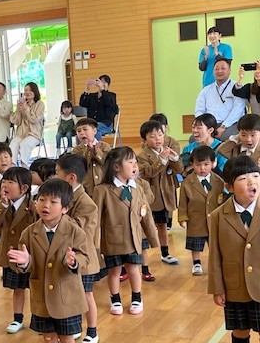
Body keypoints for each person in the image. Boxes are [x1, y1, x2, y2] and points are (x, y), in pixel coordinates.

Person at [9, 179, 90, 343]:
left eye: (53, 202)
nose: (46, 205)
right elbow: (24, 263)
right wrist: (24, 262)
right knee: (48, 336)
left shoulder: (74, 231)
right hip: (42, 296)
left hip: (66, 296)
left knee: (67, 337)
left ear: (65, 208)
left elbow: (85, 257)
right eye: (41, 200)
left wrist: (73, 262)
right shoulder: (29, 232)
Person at [208, 156, 260, 343]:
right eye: (243, 178)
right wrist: (217, 288)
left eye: (255, 176)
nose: (251, 182)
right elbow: (214, 255)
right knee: (240, 330)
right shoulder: (219, 216)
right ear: (229, 186)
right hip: (235, 284)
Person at [93, 147, 159, 316]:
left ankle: (137, 297)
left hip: (134, 238)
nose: (135, 166)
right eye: (130, 162)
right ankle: (115, 298)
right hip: (113, 239)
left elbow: (145, 213)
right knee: (114, 271)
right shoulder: (102, 190)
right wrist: (94, 244)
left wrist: (153, 238)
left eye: (136, 162)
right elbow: (95, 219)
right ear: (116, 167)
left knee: (134, 268)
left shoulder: (137, 188)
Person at [55, 154, 101, 343]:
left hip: (83, 259)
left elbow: (79, 230)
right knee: (72, 294)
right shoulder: (65, 197)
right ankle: (74, 328)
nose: (54, 176)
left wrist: (58, 214)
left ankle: (92, 331)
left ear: (71, 178)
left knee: (86, 295)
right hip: (68, 256)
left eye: (57, 173)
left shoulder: (86, 203)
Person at [0, 167, 36, 333]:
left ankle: (38, 317)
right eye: (4, 181)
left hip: (29, 255)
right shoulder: (4, 204)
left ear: (24, 188)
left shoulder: (32, 205)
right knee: (17, 288)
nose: (5, 185)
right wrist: (2, 204)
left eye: (10, 182)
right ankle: (17, 318)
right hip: (11, 254)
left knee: (35, 288)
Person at [137, 120, 183, 265]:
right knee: (145, 226)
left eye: (160, 134)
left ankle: (165, 253)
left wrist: (175, 159)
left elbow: (179, 170)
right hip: (151, 196)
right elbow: (148, 172)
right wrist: (161, 160)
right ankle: (141, 255)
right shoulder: (142, 156)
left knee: (162, 224)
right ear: (144, 140)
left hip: (165, 195)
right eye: (152, 136)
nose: (157, 138)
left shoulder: (167, 151)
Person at [178, 146, 225, 276]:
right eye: (198, 165)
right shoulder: (187, 183)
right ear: (192, 164)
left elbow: (223, 200)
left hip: (214, 219)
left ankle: (216, 262)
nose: (202, 168)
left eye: (206, 164)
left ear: (213, 164)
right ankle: (196, 262)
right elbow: (182, 203)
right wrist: (182, 218)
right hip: (196, 219)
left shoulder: (219, 181)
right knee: (195, 243)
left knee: (215, 243)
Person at [195, 56, 246, 142]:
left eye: (223, 68)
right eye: (216, 69)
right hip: (209, 125)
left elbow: (238, 109)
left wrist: (223, 126)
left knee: (226, 137)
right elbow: (199, 110)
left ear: (229, 70)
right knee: (194, 138)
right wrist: (203, 126)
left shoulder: (237, 87)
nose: (219, 71)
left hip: (231, 124)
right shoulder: (206, 90)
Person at [71, 118, 112, 196]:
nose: (82, 133)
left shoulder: (104, 146)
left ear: (94, 131)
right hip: (86, 189)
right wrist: (88, 150)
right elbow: (80, 166)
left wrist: (97, 152)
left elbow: (108, 163)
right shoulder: (76, 150)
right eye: (79, 131)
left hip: (104, 187)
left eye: (85, 129)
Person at [10, 82, 45, 167]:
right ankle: (12, 167)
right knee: (13, 145)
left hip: (34, 134)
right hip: (21, 134)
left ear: (35, 91)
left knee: (24, 144)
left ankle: (24, 166)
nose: (27, 92)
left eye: (30, 90)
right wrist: (18, 110)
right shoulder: (22, 104)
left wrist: (26, 109)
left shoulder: (40, 104)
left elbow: (34, 120)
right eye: (26, 90)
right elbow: (16, 122)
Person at [79, 74, 118, 141]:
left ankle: (95, 146)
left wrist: (102, 89)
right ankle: (89, 146)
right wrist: (87, 89)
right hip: (92, 124)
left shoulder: (112, 96)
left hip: (106, 125)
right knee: (82, 128)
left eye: (105, 82)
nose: (102, 84)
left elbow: (110, 103)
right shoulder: (92, 96)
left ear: (108, 85)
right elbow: (82, 103)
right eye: (101, 82)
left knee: (95, 128)